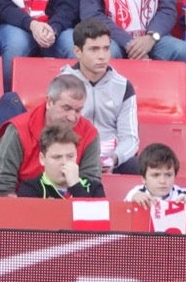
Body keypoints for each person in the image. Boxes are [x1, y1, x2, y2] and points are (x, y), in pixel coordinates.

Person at [0, 74, 102, 196]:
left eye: (78, 110)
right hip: (25, 204)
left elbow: (91, 185)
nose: (72, 117)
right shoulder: (18, 130)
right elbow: (1, 187)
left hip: (73, 207)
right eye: (66, 108)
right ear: (49, 102)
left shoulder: (89, 133)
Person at [57, 19, 139, 174]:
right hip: (74, 155)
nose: (102, 56)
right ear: (77, 51)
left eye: (106, 49)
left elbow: (130, 137)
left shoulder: (123, 86)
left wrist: (114, 159)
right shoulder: (62, 83)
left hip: (111, 157)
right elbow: (55, 131)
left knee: (140, 166)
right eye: (94, 49)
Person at [17, 124, 106, 199]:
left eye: (70, 156)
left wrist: (75, 186)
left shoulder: (94, 188)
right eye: (57, 157)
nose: (64, 162)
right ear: (42, 159)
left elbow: (95, 218)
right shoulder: (30, 188)